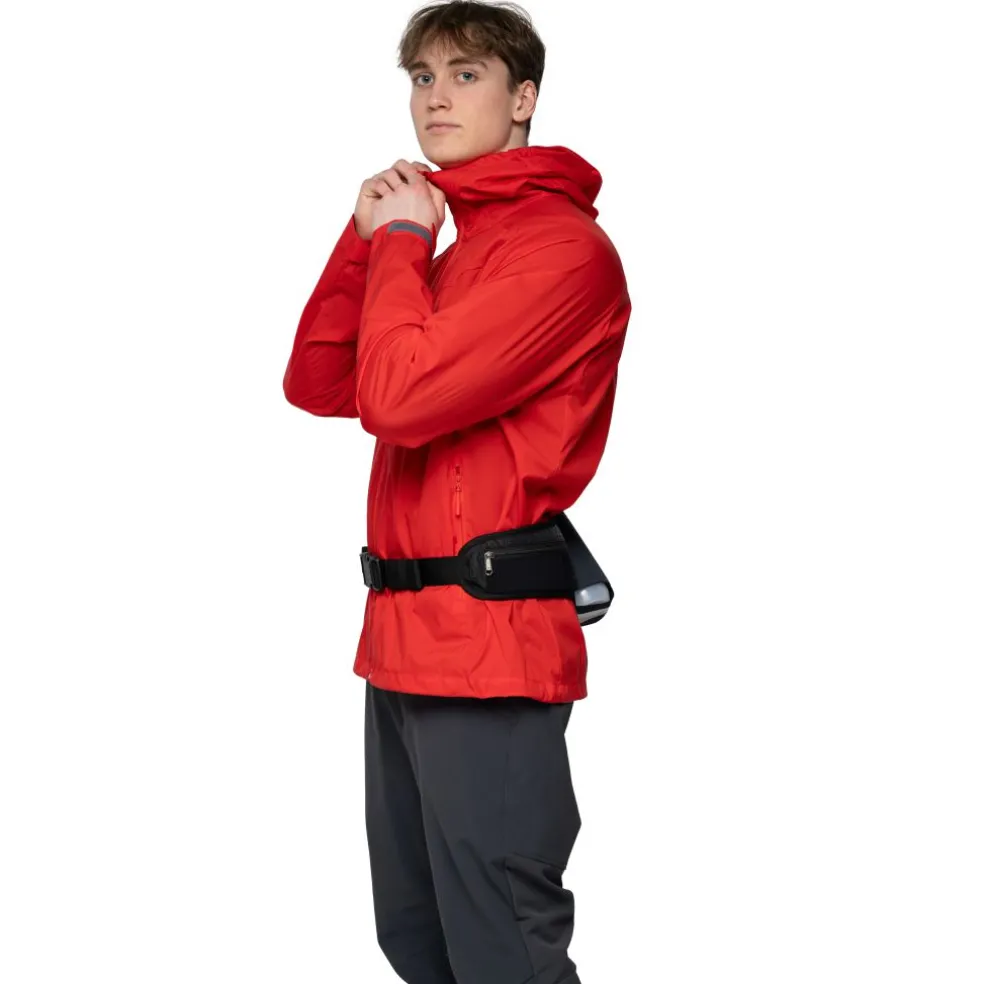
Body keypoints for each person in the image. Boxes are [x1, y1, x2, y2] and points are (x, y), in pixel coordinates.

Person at [283, 2, 631, 981]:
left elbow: (398, 400)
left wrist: (401, 241)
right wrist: (368, 242)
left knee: (501, 947)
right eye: (422, 77)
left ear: (524, 99)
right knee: (418, 936)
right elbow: (319, 381)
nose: (436, 97)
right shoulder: (450, 251)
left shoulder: (560, 253)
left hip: (488, 645)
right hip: (401, 642)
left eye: (467, 74)